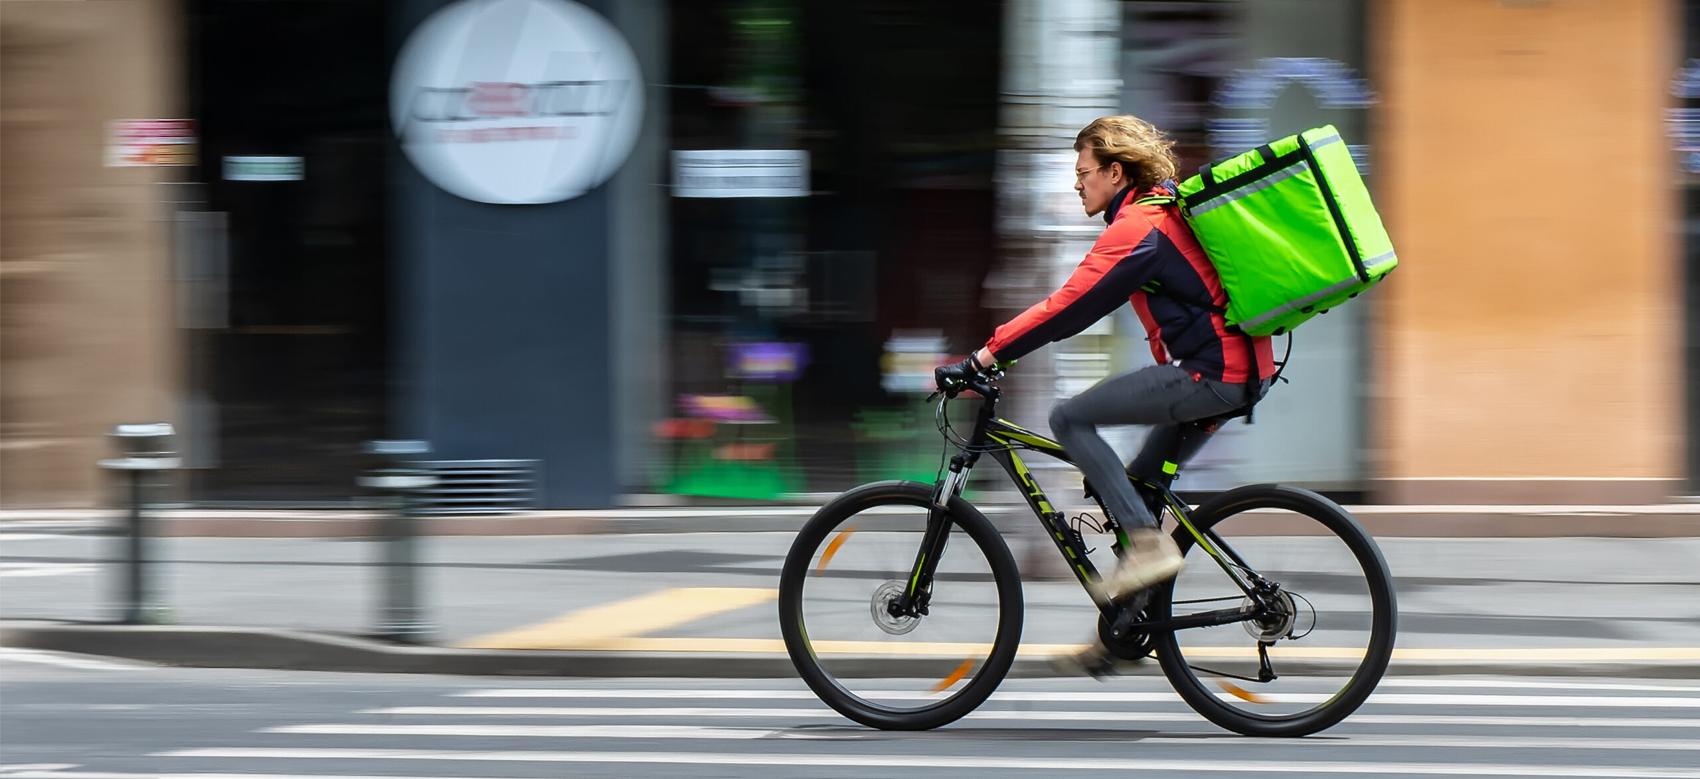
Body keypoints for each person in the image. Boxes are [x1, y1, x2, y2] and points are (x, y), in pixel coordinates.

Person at [935, 115, 1274, 645]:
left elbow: (1067, 308)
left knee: (1069, 418)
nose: (1077, 182)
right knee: (1138, 487)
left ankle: (1146, 544)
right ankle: (1124, 630)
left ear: (1116, 172)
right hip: (1235, 372)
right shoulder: (1158, 214)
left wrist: (986, 356)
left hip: (1210, 375)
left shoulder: (1140, 226)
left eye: (1085, 170)